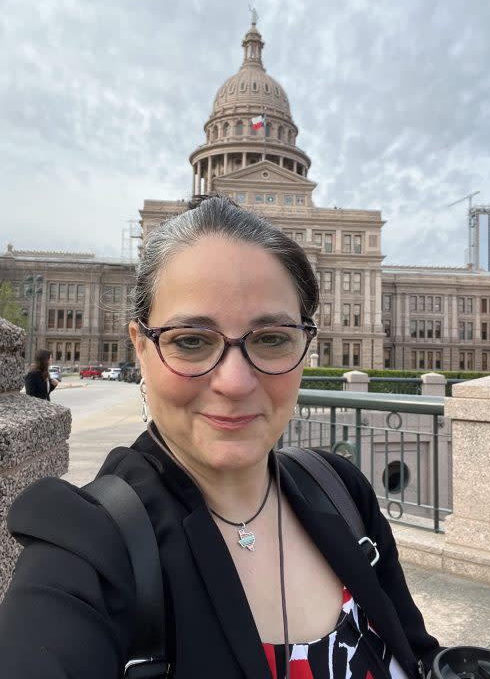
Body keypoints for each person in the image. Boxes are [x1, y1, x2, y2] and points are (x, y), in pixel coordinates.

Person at [0, 195, 440, 678]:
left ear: (305, 344)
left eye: (272, 338)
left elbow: (422, 656)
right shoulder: (88, 546)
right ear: (141, 349)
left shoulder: (342, 493)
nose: (234, 382)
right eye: (191, 340)